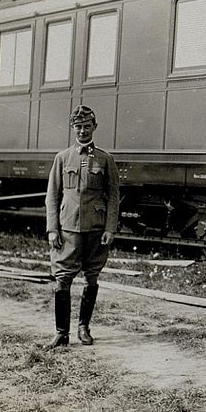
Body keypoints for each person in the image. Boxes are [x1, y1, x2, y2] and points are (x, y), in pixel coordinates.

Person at [45, 105, 120, 348]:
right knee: (62, 279)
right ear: (72, 128)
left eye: (87, 126)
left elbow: (113, 196)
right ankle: (61, 333)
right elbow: (53, 197)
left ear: (94, 128)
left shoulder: (105, 159)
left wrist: (110, 228)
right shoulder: (62, 158)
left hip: (96, 230)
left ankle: (84, 328)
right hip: (67, 230)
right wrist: (53, 229)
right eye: (78, 127)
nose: (82, 131)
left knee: (92, 278)